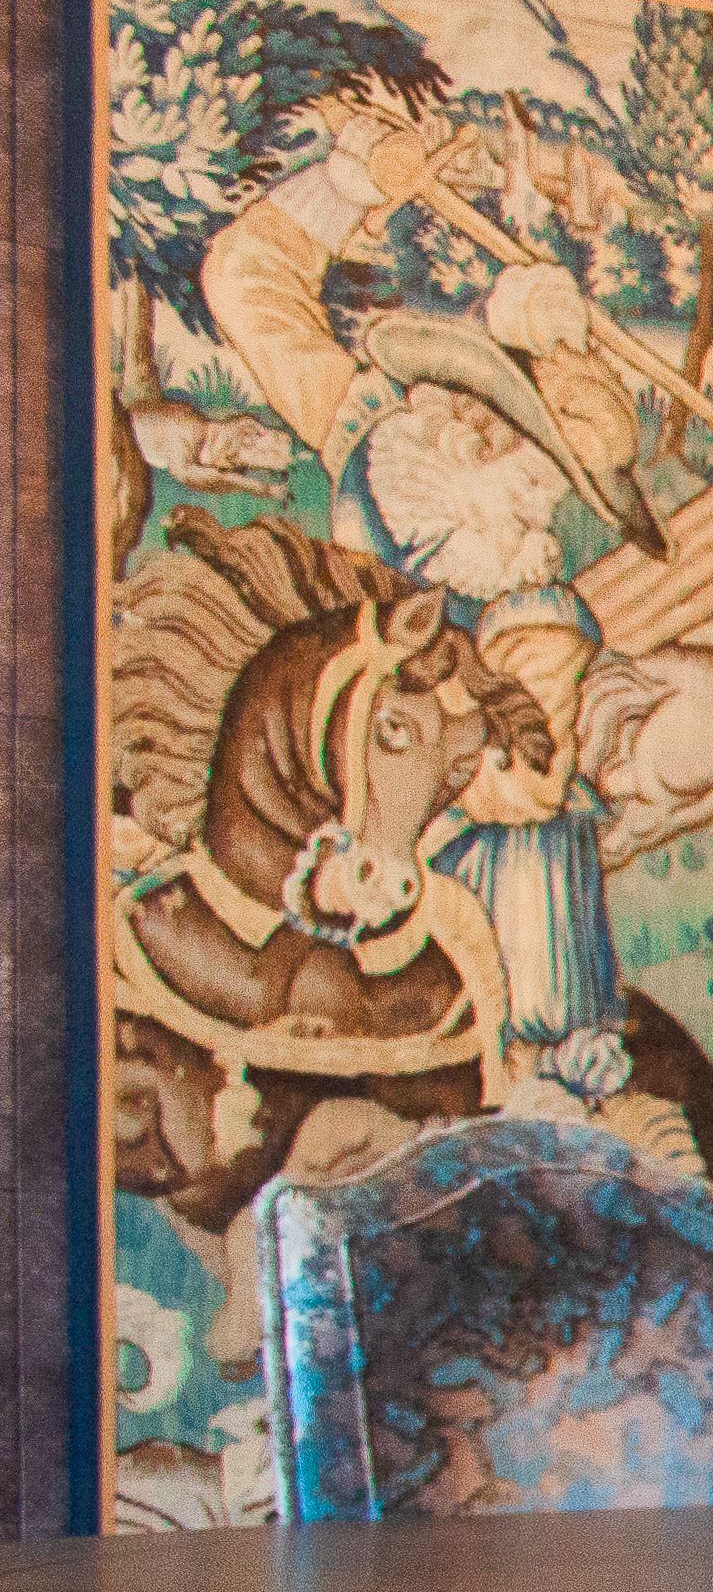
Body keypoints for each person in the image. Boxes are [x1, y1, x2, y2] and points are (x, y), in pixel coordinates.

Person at [197, 103, 670, 1109]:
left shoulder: (532, 614)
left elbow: (525, 786)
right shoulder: (380, 443)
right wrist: (346, 184)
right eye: (535, 479)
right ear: (464, 423)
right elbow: (245, 281)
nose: (544, 520)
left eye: (554, 494)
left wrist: (419, 773)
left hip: (482, 902)